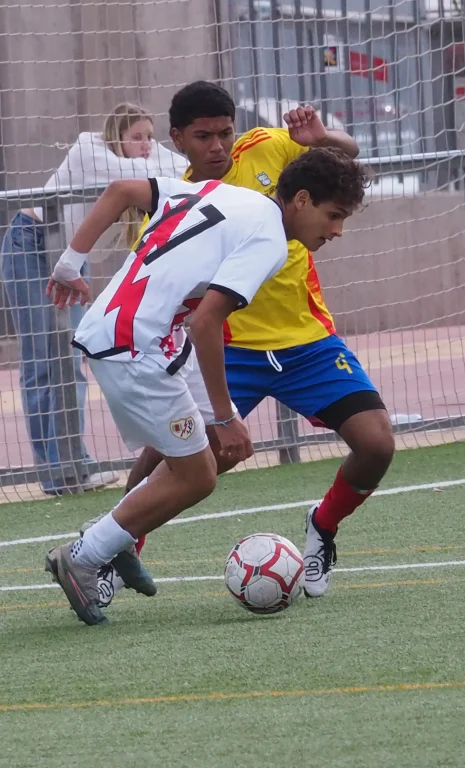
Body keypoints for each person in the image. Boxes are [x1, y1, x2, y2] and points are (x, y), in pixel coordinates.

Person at [44, 146, 371, 625]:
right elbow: (206, 323)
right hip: (138, 347)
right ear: (300, 200)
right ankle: (85, 555)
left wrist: (71, 262)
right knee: (198, 474)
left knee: (215, 454)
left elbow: (121, 192)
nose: (338, 230)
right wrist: (225, 415)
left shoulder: (219, 192)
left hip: (135, 335)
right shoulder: (270, 240)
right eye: (334, 215)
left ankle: (113, 542)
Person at [99, 81, 394, 604]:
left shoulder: (267, 148)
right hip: (231, 350)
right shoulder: (178, 197)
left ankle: (322, 527)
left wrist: (324, 137)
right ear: (178, 141)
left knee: (376, 445)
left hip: (309, 343)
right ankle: (117, 551)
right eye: (203, 136)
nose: (218, 146)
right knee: (173, 460)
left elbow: (342, 163)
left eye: (224, 134)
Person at [1, 103, 187, 495]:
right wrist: (158, 159)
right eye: (136, 137)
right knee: (45, 360)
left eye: (151, 137)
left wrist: (157, 152)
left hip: (71, 255)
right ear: (115, 136)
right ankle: (63, 470)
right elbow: (164, 173)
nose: (146, 146)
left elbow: (178, 170)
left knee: (71, 355)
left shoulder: (141, 162)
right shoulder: (90, 151)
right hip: (33, 244)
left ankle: (68, 467)